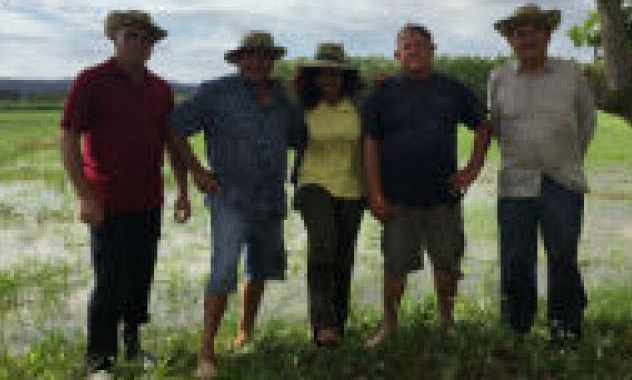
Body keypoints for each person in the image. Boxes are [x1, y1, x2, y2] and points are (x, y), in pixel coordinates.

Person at [60, 10, 190, 378]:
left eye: (146, 39)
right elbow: (68, 138)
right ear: (113, 38)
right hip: (107, 203)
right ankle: (99, 360)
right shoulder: (91, 81)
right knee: (109, 280)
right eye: (131, 35)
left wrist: (182, 190)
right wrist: (84, 195)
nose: (139, 44)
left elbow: (172, 144)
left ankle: (132, 346)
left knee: (140, 276)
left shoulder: (161, 89)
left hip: (149, 199)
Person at [168, 31, 303, 379]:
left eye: (264, 56)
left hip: (270, 198)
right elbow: (174, 127)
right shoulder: (215, 92)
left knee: (259, 268)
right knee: (224, 269)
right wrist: (197, 172)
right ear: (239, 60)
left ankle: (245, 331)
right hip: (229, 198)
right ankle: (206, 350)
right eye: (251, 55)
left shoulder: (282, 98)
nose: (258, 62)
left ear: (272, 61)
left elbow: (301, 137)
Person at [362, 23, 492, 347]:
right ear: (397, 54)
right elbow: (370, 144)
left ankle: (446, 322)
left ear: (433, 50)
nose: (414, 50)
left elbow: (484, 125)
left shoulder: (452, 88)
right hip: (397, 199)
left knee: (447, 263)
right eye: (407, 46)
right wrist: (375, 193)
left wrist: (473, 168)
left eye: (420, 45)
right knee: (394, 266)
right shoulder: (382, 92)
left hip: (442, 198)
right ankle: (389, 325)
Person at [490, 4, 596, 342]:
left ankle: (565, 329)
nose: (527, 38)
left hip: (562, 180)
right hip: (515, 183)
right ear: (510, 41)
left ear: (548, 34)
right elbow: (493, 126)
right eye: (519, 33)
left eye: (534, 30)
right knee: (516, 259)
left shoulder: (571, 74)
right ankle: (516, 328)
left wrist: (566, 159)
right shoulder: (499, 78)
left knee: (563, 255)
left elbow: (587, 122)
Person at [292, 42, 365, 347]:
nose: (328, 81)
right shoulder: (301, 106)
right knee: (323, 247)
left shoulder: (361, 105)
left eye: (335, 75)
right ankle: (322, 325)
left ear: (345, 77)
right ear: (313, 78)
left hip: (353, 188)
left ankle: (338, 323)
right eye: (322, 75)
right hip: (314, 184)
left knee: (343, 256)